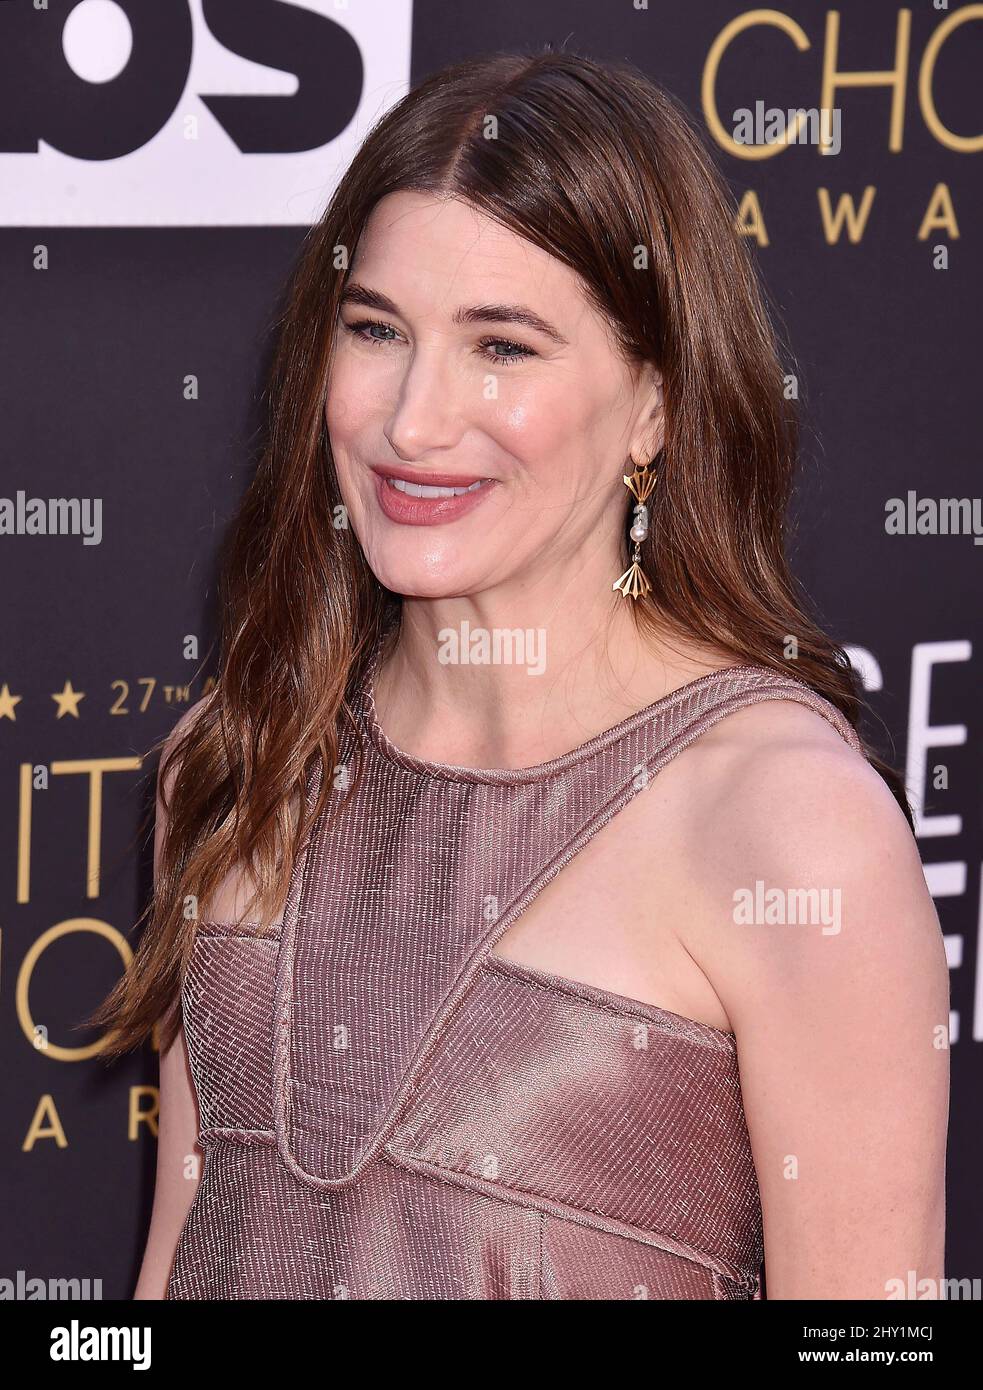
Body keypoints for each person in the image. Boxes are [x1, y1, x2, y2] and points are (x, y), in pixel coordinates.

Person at [93, 48, 949, 1301]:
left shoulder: (782, 825)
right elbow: (175, 1272)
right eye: (376, 330)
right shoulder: (242, 759)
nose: (414, 420)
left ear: (654, 401)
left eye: (502, 346)